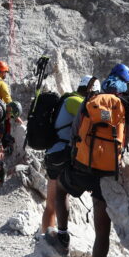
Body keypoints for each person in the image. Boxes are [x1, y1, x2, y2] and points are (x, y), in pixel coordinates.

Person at [46, 64, 129, 257]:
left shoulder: (91, 101)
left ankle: (62, 236)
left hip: (81, 167)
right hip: (109, 174)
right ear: (128, 86)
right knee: (102, 232)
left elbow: (75, 135)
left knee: (60, 188)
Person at [41, 75, 100, 236]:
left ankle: (46, 236)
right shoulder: (77, 102)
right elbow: (94, 118)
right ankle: (60, 236)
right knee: (61, 195)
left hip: (52, 154)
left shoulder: (67, 99)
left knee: (51, 203)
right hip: (62, 155)